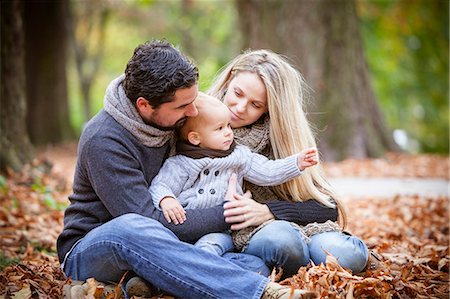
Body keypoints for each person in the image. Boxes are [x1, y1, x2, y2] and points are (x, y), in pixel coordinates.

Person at [56, 40, 319, 299]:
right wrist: (230, 212)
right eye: (183, 106)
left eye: (193, 101)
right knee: (132, 228)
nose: (192, 111)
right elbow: (153, 221)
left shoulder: (170, 121)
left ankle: (137, 286)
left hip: (158, 248)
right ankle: (260, 294)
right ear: (144, 105)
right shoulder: (104, 140)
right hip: (94, 248)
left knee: (254, 266)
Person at [207, 49, 369, 278]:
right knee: (283, 241)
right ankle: (289, 263)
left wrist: (269, 211)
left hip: (296, 227)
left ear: (270, 108)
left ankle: (293, 262)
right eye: (238, 93)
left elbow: (328, 207)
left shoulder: (281, 138)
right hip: (251, 235)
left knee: (348, 254)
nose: (240, 107)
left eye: (255, 104)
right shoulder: (198, 123)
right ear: (230, 77)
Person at [149, 92, 319, 256]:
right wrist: (167, 199)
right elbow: (161, 185)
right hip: (185, 226)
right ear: (195, 138)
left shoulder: (239, 156)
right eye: (220, 128)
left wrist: (296, 163)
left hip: (221, 230)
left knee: (208, 248)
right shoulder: (180, 163)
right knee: (166, 249)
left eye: (228, 125)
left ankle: (200, 275)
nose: (229, 132)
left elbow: (268, 171)